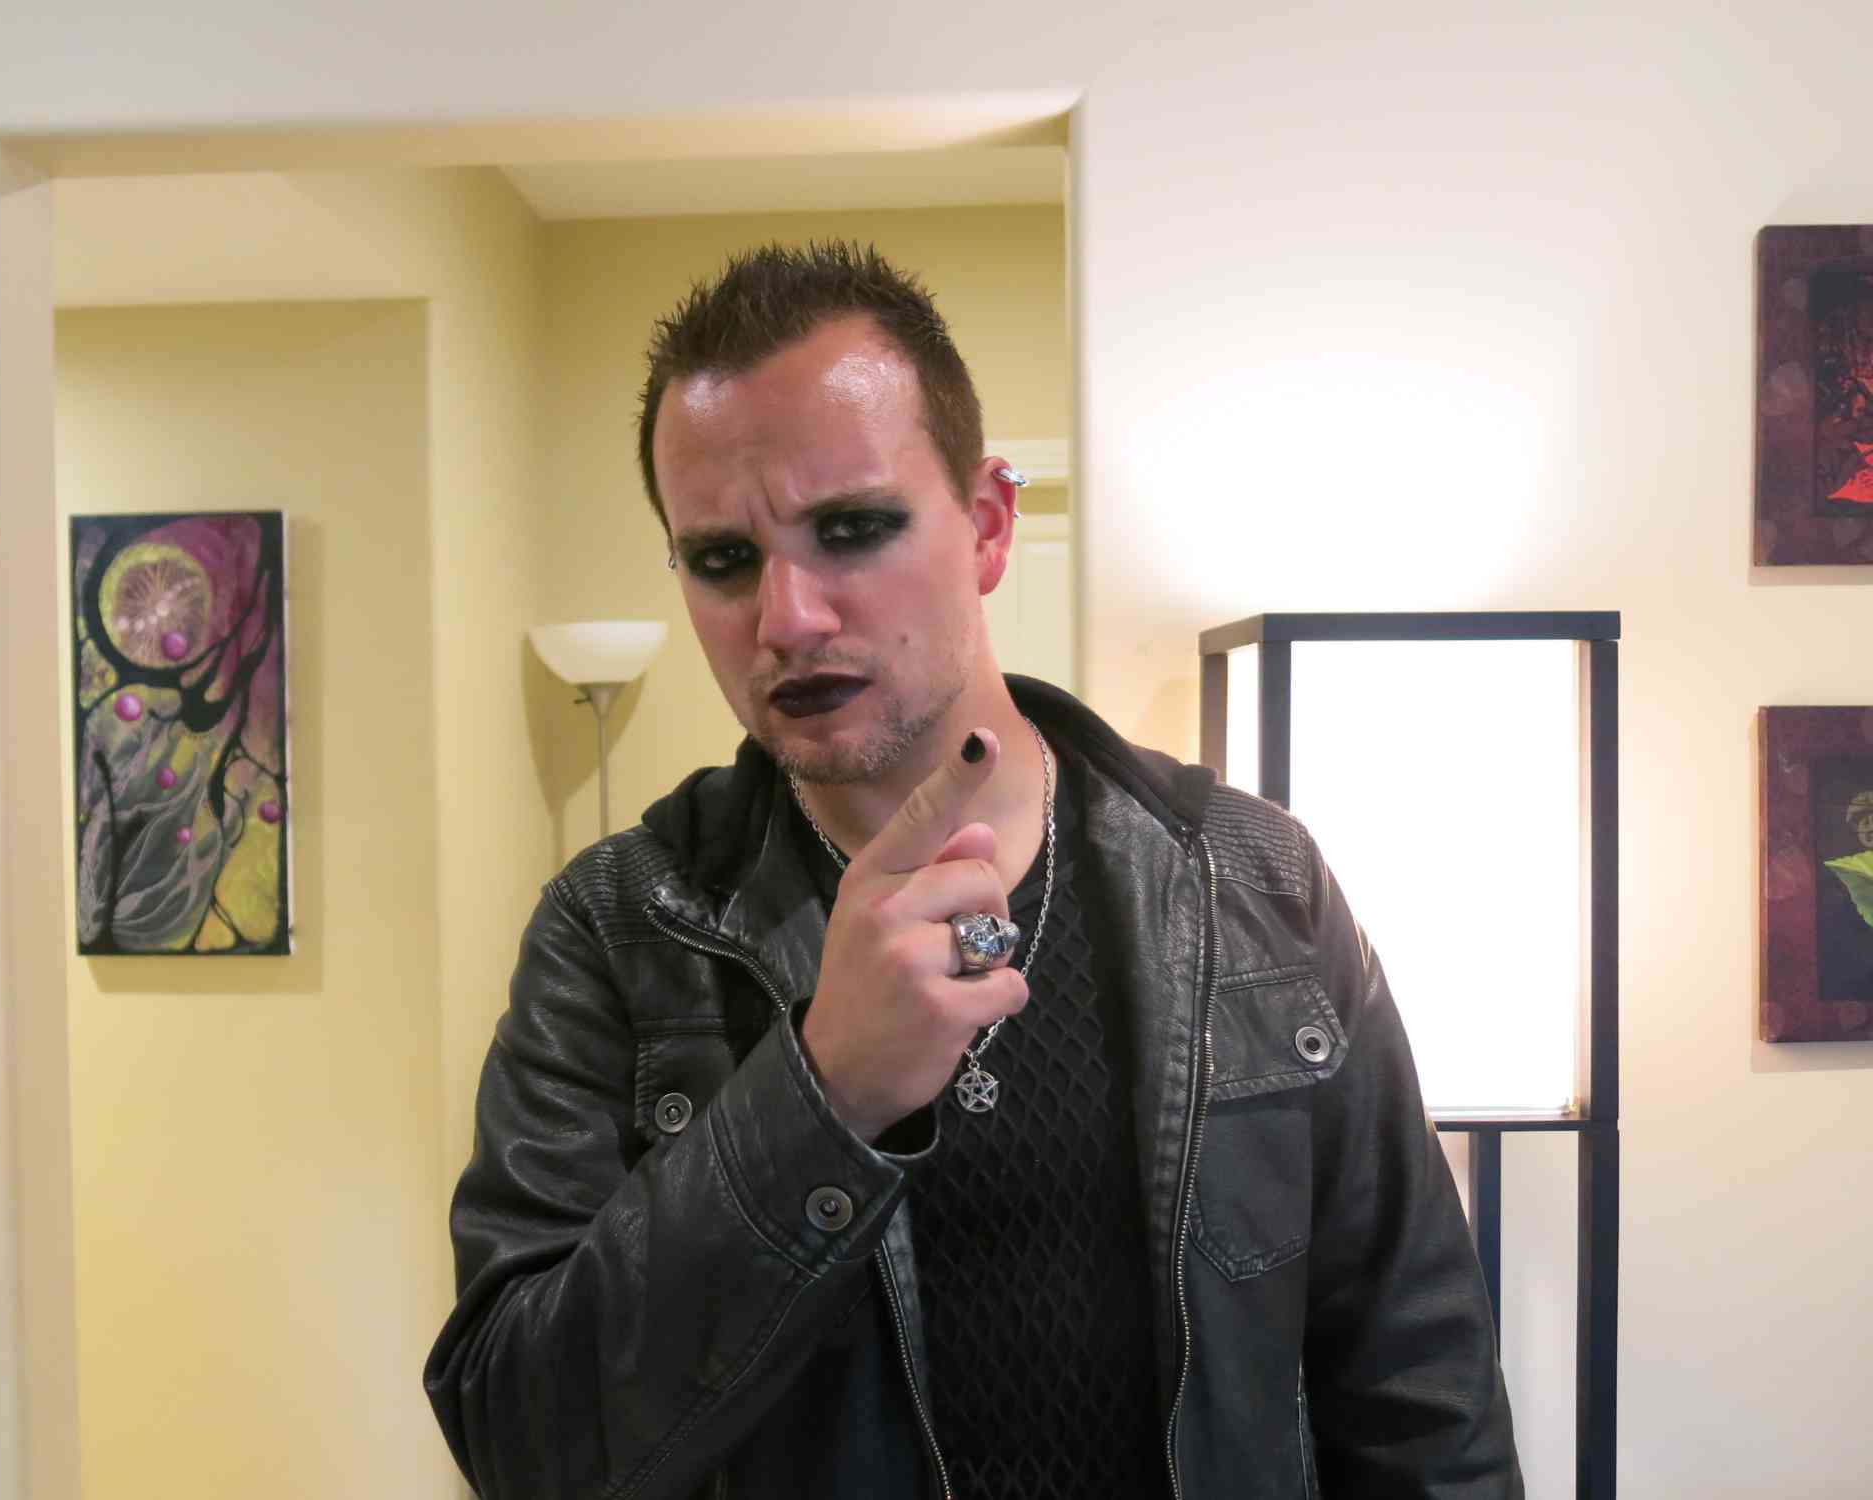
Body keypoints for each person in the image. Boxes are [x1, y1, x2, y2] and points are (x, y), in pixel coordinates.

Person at [424, 241, 1521, 1498]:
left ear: (989, 525)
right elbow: (524, 1444)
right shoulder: (623, 930)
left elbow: (1420, 1401)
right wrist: (824, 1095)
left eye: (852, 530)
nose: (786, 618)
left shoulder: (1250, 884)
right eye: (723, 559)